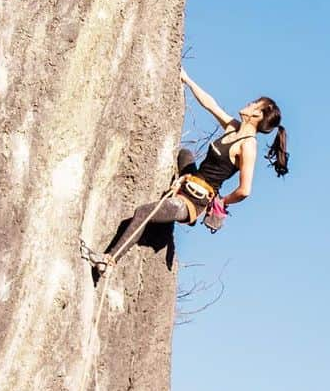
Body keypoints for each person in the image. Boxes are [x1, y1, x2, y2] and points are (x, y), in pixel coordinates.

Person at [80, 68, 288, 275]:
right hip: (192, 180)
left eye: (254, 104)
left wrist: (221, 201)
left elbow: (245, 190)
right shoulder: (233, 127)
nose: (249, 103)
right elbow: (210, 104)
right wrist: (187, 80)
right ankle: (183, 180)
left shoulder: (248, 145)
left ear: (257, 114)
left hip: (194, 201)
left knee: (143, 212)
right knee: (185, 154)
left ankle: (109, 262)